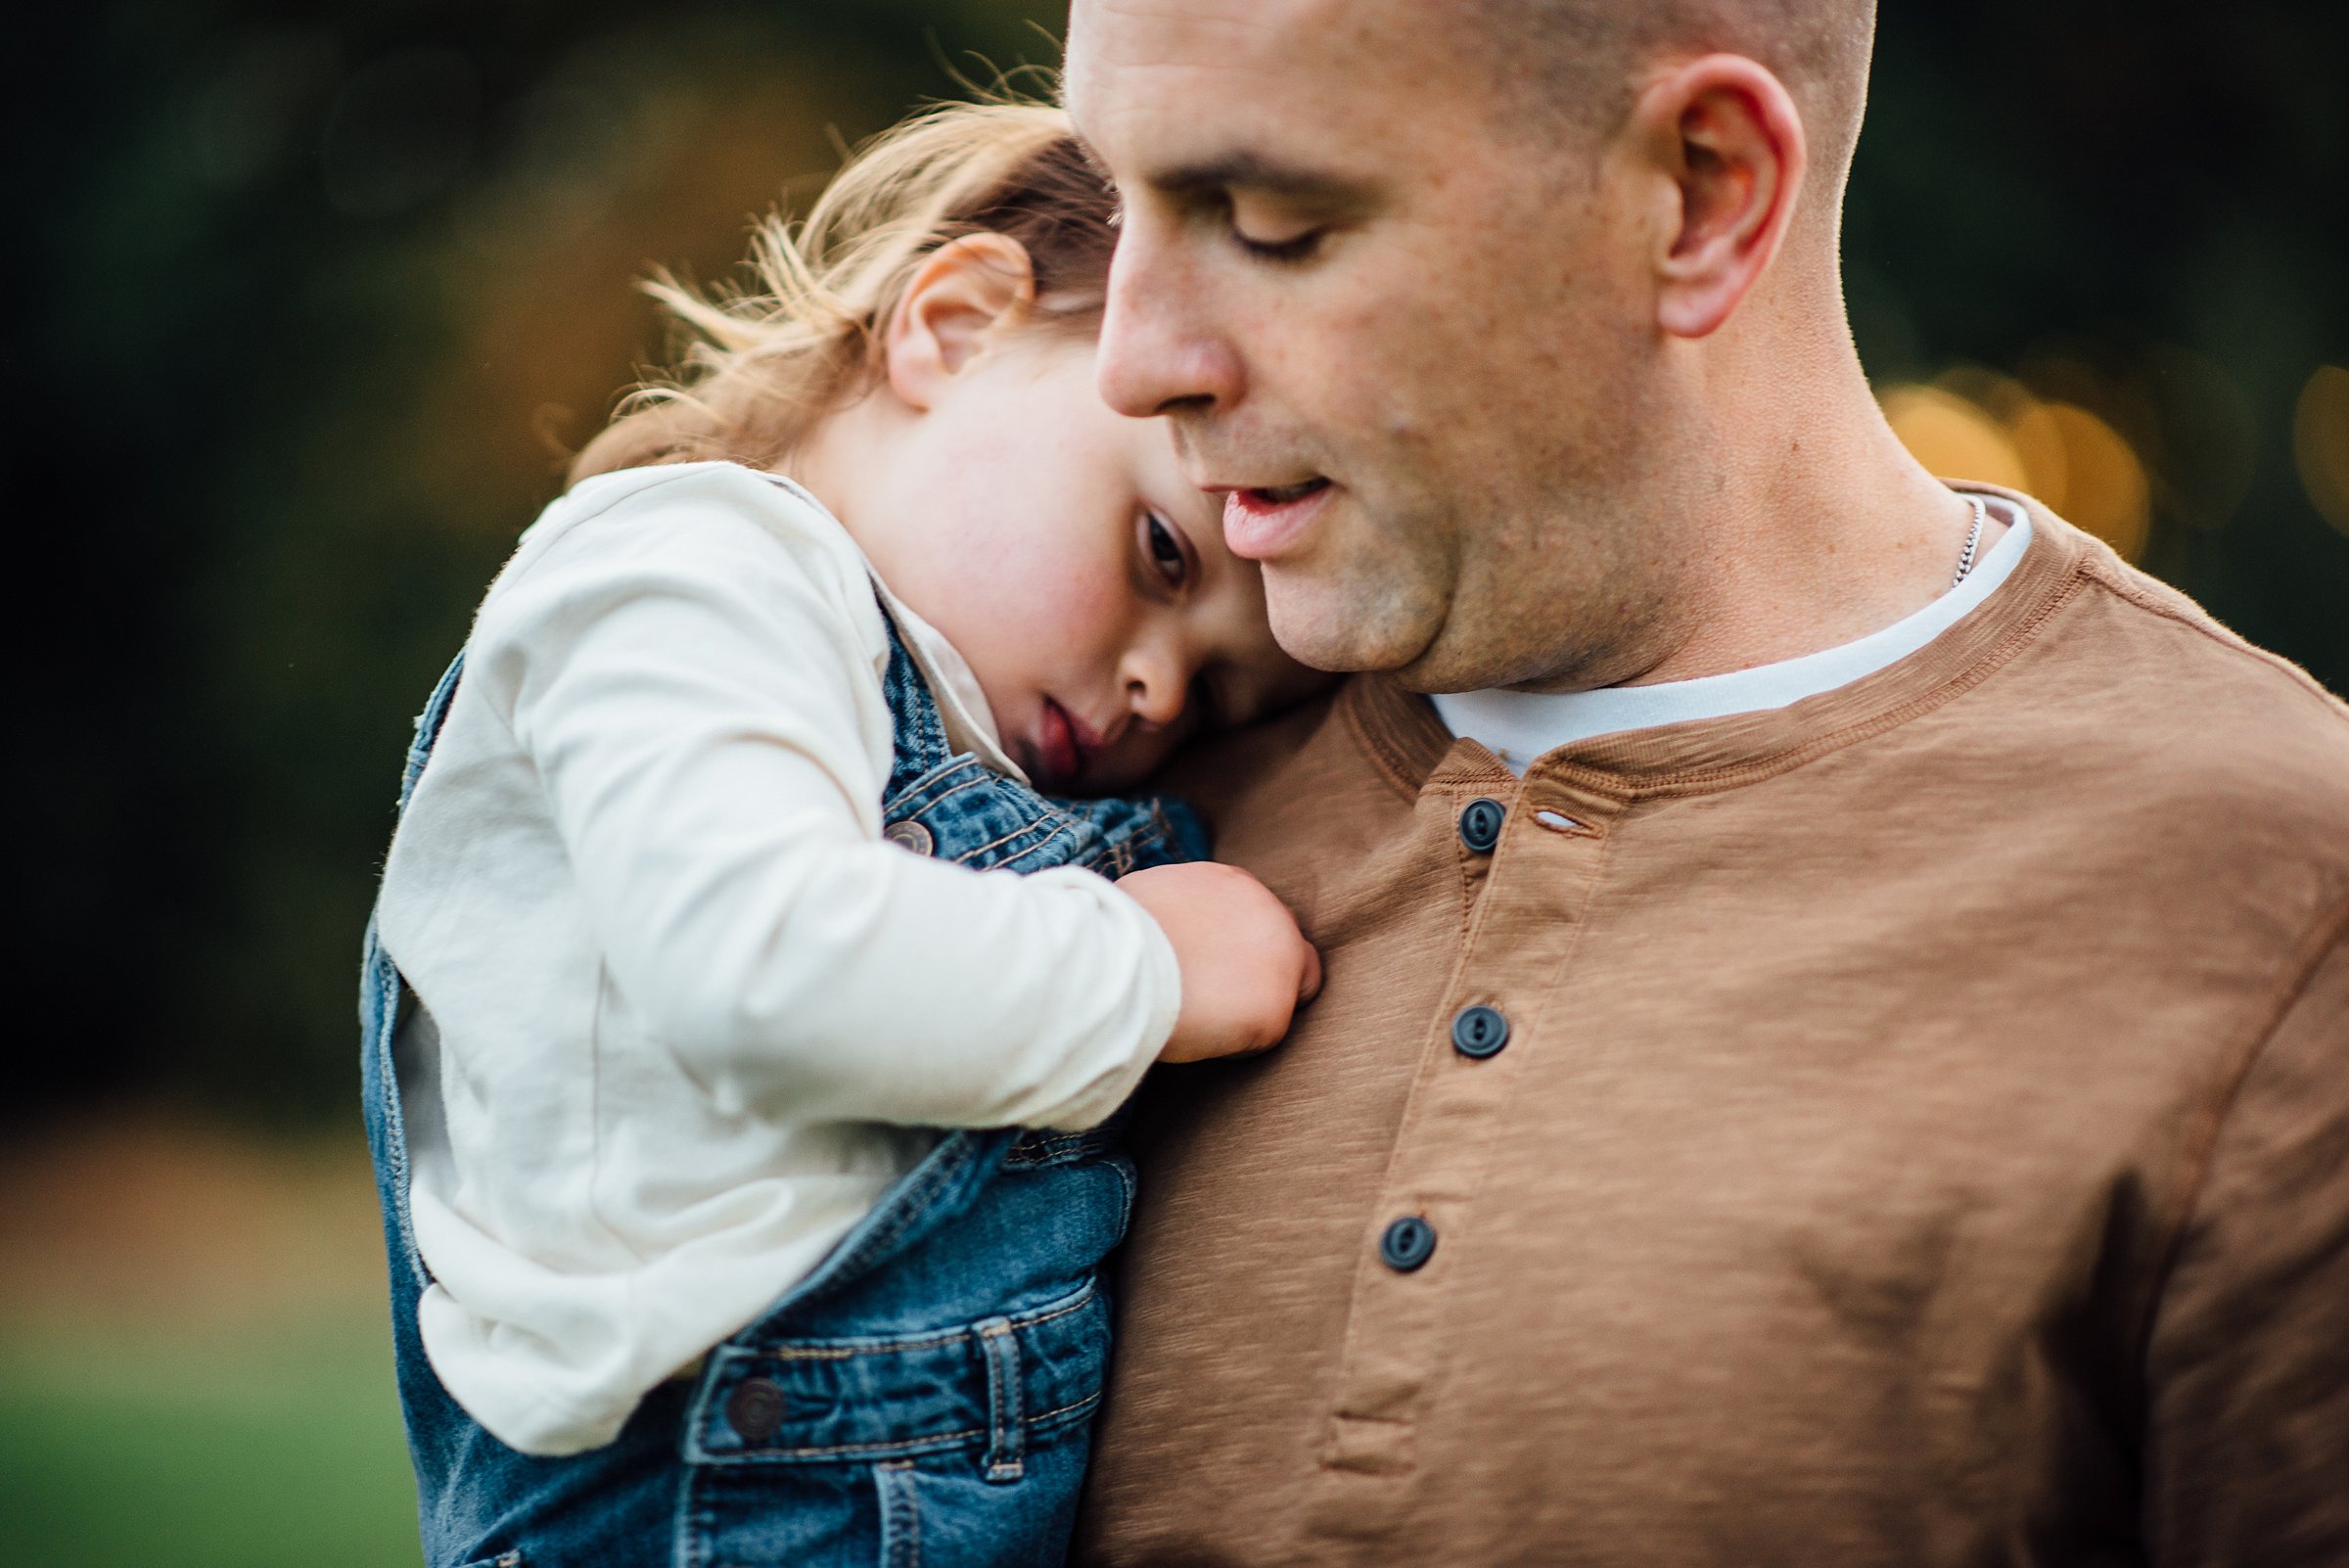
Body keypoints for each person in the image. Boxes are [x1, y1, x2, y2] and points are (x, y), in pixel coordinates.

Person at [1060, 1, 2349, 1562]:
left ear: (1700, 193)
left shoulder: (2276, 895)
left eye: (1272, 224)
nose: (1133, 361)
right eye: (1115, 204)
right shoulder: (1062, 749)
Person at [356, 101, 1323, 1568]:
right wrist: (1147, 966)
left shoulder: (948, 702)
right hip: (686, 1511)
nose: (1156, 689)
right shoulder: (691, 567)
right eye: (1161, 551)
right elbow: (757, 961)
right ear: (958, 324)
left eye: (1217, 694)